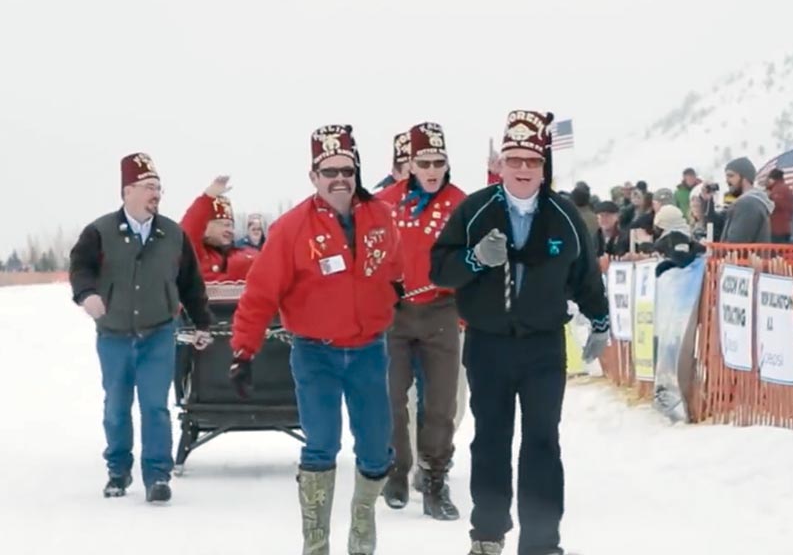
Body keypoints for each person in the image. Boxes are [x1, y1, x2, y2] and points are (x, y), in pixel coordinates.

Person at [430, 110, 610, 555]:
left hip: (544, 346)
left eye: (531, 161)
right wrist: (474, 259)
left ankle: (542, 542)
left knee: (543, 441)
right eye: (514, 160)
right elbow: (439, 269)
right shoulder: (474, 210)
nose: (523, 170)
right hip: (488, 344)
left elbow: (586, 276)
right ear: (501, 165)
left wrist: (600, 320)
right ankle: (488, 536)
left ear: (544, 167)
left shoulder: (564, 216)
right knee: (490, 439)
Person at [228, 125, 404, 555]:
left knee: (377, 447)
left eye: (347, 169)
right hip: (315, 354)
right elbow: (260, 292)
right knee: (322, 442)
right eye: (329, 171)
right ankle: (316, 542)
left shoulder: (381, 217)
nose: (339, 179)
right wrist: (243, 350)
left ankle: (363, 519)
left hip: (368, 351)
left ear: (357, 171)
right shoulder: (291, 229)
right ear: (313, 176)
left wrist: (399, 298)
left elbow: (396, 272)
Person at [68, 152, 212, 503]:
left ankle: (158, 476)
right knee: (116, 407)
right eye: (149, 187)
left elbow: (191, 283)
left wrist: (202, 323)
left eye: (159, 188)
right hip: (114, 335)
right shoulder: (99, 231)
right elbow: (80, 268)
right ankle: (118, 470)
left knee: (155, 406)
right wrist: (86, 295)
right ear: (127, 191)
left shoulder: (172, 234)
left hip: (158, 333)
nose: (156, 194)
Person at [375, 122, 467, 519]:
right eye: (423, 162)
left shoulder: (462, 204)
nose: (432, 170)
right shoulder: (382, 203)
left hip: (441, 310)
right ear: (409, 164)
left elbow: (475, 258)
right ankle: (397, 467)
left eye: (438, 162)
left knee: (441, 401)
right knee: (392, 397)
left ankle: (434, 479)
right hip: (394, 314)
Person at [180, 175, 259, 281]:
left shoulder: (248, 254)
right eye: (224, 225)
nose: (230, 230)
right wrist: (207, 197)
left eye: (231, 226)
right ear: (205, 228)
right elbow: (188, 232)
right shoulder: (196, 255)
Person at [720, 157, 774, 244]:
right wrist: (707, 202)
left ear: (745, 178)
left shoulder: (748, 204)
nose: (727, 181)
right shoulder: (751, 202)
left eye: (731, 176)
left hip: (742, 257)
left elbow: (736, 244)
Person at [765, 169, 793, 244]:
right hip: (787, 227)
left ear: (772, 179)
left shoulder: (777, 190)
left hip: (777, 229)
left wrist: (767, 198)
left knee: (775, 253)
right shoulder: (786, 189)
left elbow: (775, 206)